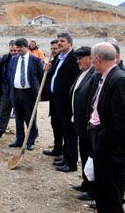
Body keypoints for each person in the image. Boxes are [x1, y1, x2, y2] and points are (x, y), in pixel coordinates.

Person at [88, 42, 125, 212]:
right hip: (103, 140)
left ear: (97, 59)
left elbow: (122, 120)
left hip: (110, 147)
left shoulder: (120, 80)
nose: (91, 62)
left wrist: (103, 139)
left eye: (92, 59)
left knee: (110, 193)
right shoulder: (107, 76)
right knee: (104, 191)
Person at [45, 33, 81, 174]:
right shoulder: (59, 58)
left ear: (70, 44)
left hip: (66, 103)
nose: (59, 43)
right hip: (56, 101)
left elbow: (74, 81)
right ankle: (64, 156)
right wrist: (48, 70)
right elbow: (55, 76)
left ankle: (71, 163)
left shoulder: (73, 59)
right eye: (58, 41)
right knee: (60, 128)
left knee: (70, 134)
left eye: (62, 41)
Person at [69, 46, 97, 201]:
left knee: (91, 157)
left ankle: (93, 190)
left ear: (90, 58)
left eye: (80, 58)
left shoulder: (94, 74)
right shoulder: (84, 72)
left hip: (88, 126)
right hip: (80, 124)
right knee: (85, 155)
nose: (78, 62)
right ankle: (86, 182)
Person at [8, 38, 43, 150]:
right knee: (18, 118)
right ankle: (19, 139)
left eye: (20, 47)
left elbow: (40, 77)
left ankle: (30, 140)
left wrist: (37, 92)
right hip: (16, 92)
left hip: (29, 94)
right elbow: (10, 75)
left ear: (26, 47)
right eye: (17, 47)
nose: (18, 49)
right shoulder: (13, 59)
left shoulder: (35, 60)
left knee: (30, 117)